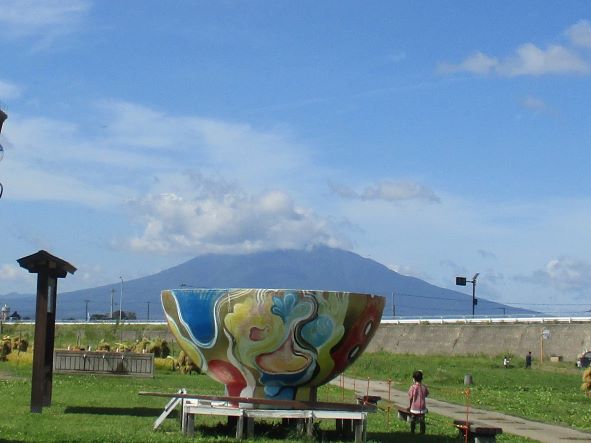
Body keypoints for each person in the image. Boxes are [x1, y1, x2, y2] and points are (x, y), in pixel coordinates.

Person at [408, 370, 429, 434]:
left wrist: (410, 406)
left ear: (414, 379)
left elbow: (411, 397)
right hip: (422, 408)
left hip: (414, 408)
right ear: (421, 379)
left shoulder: (412, 387)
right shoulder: (424, 387)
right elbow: (426, 394)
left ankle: (412, 431)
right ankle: (422, 432)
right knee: (422, 421)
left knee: (413, 420)